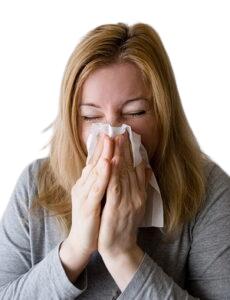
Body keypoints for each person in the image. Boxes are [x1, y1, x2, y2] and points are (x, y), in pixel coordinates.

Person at [0, 21, 229, 300]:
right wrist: (74, 250)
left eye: (136, 112)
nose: (113, 134)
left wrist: (123, 255)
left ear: (163, 115)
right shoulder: (34, 183)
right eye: (90, 117)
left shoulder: (208, 187)